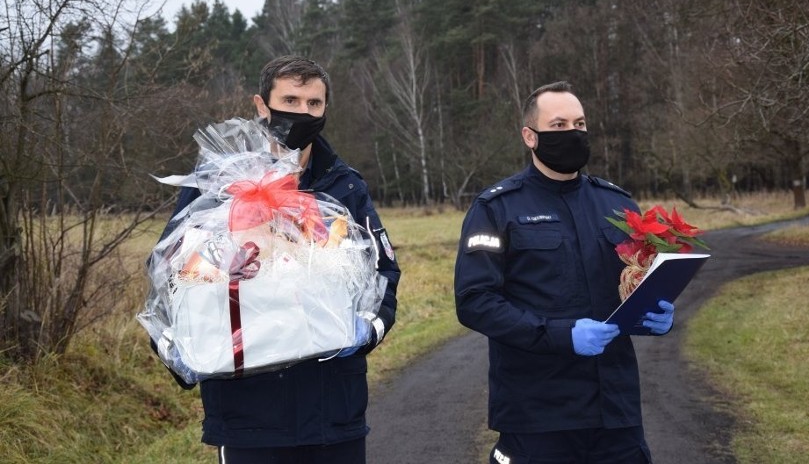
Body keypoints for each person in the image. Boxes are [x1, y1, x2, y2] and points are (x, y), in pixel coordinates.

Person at [155, 55, 401, 464]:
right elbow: (169, 273)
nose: (302, 113)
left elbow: (383, 271)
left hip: (333, 407)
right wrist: (176, 346)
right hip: (247, 414)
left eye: (314, 104)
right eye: (290, 100)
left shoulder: (345, 185)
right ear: (261, 106)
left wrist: (368, 331)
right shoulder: (218, 184)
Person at [454, 81, 675, 464]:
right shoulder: (496, 209)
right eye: (558, 125)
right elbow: (475, 302)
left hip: (616, 414)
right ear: (530, 136)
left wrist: (655, 310)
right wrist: (560, 334)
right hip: (538, 414)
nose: (572, 133)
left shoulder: (618, 205)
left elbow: (636, 281)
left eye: (580, 123)